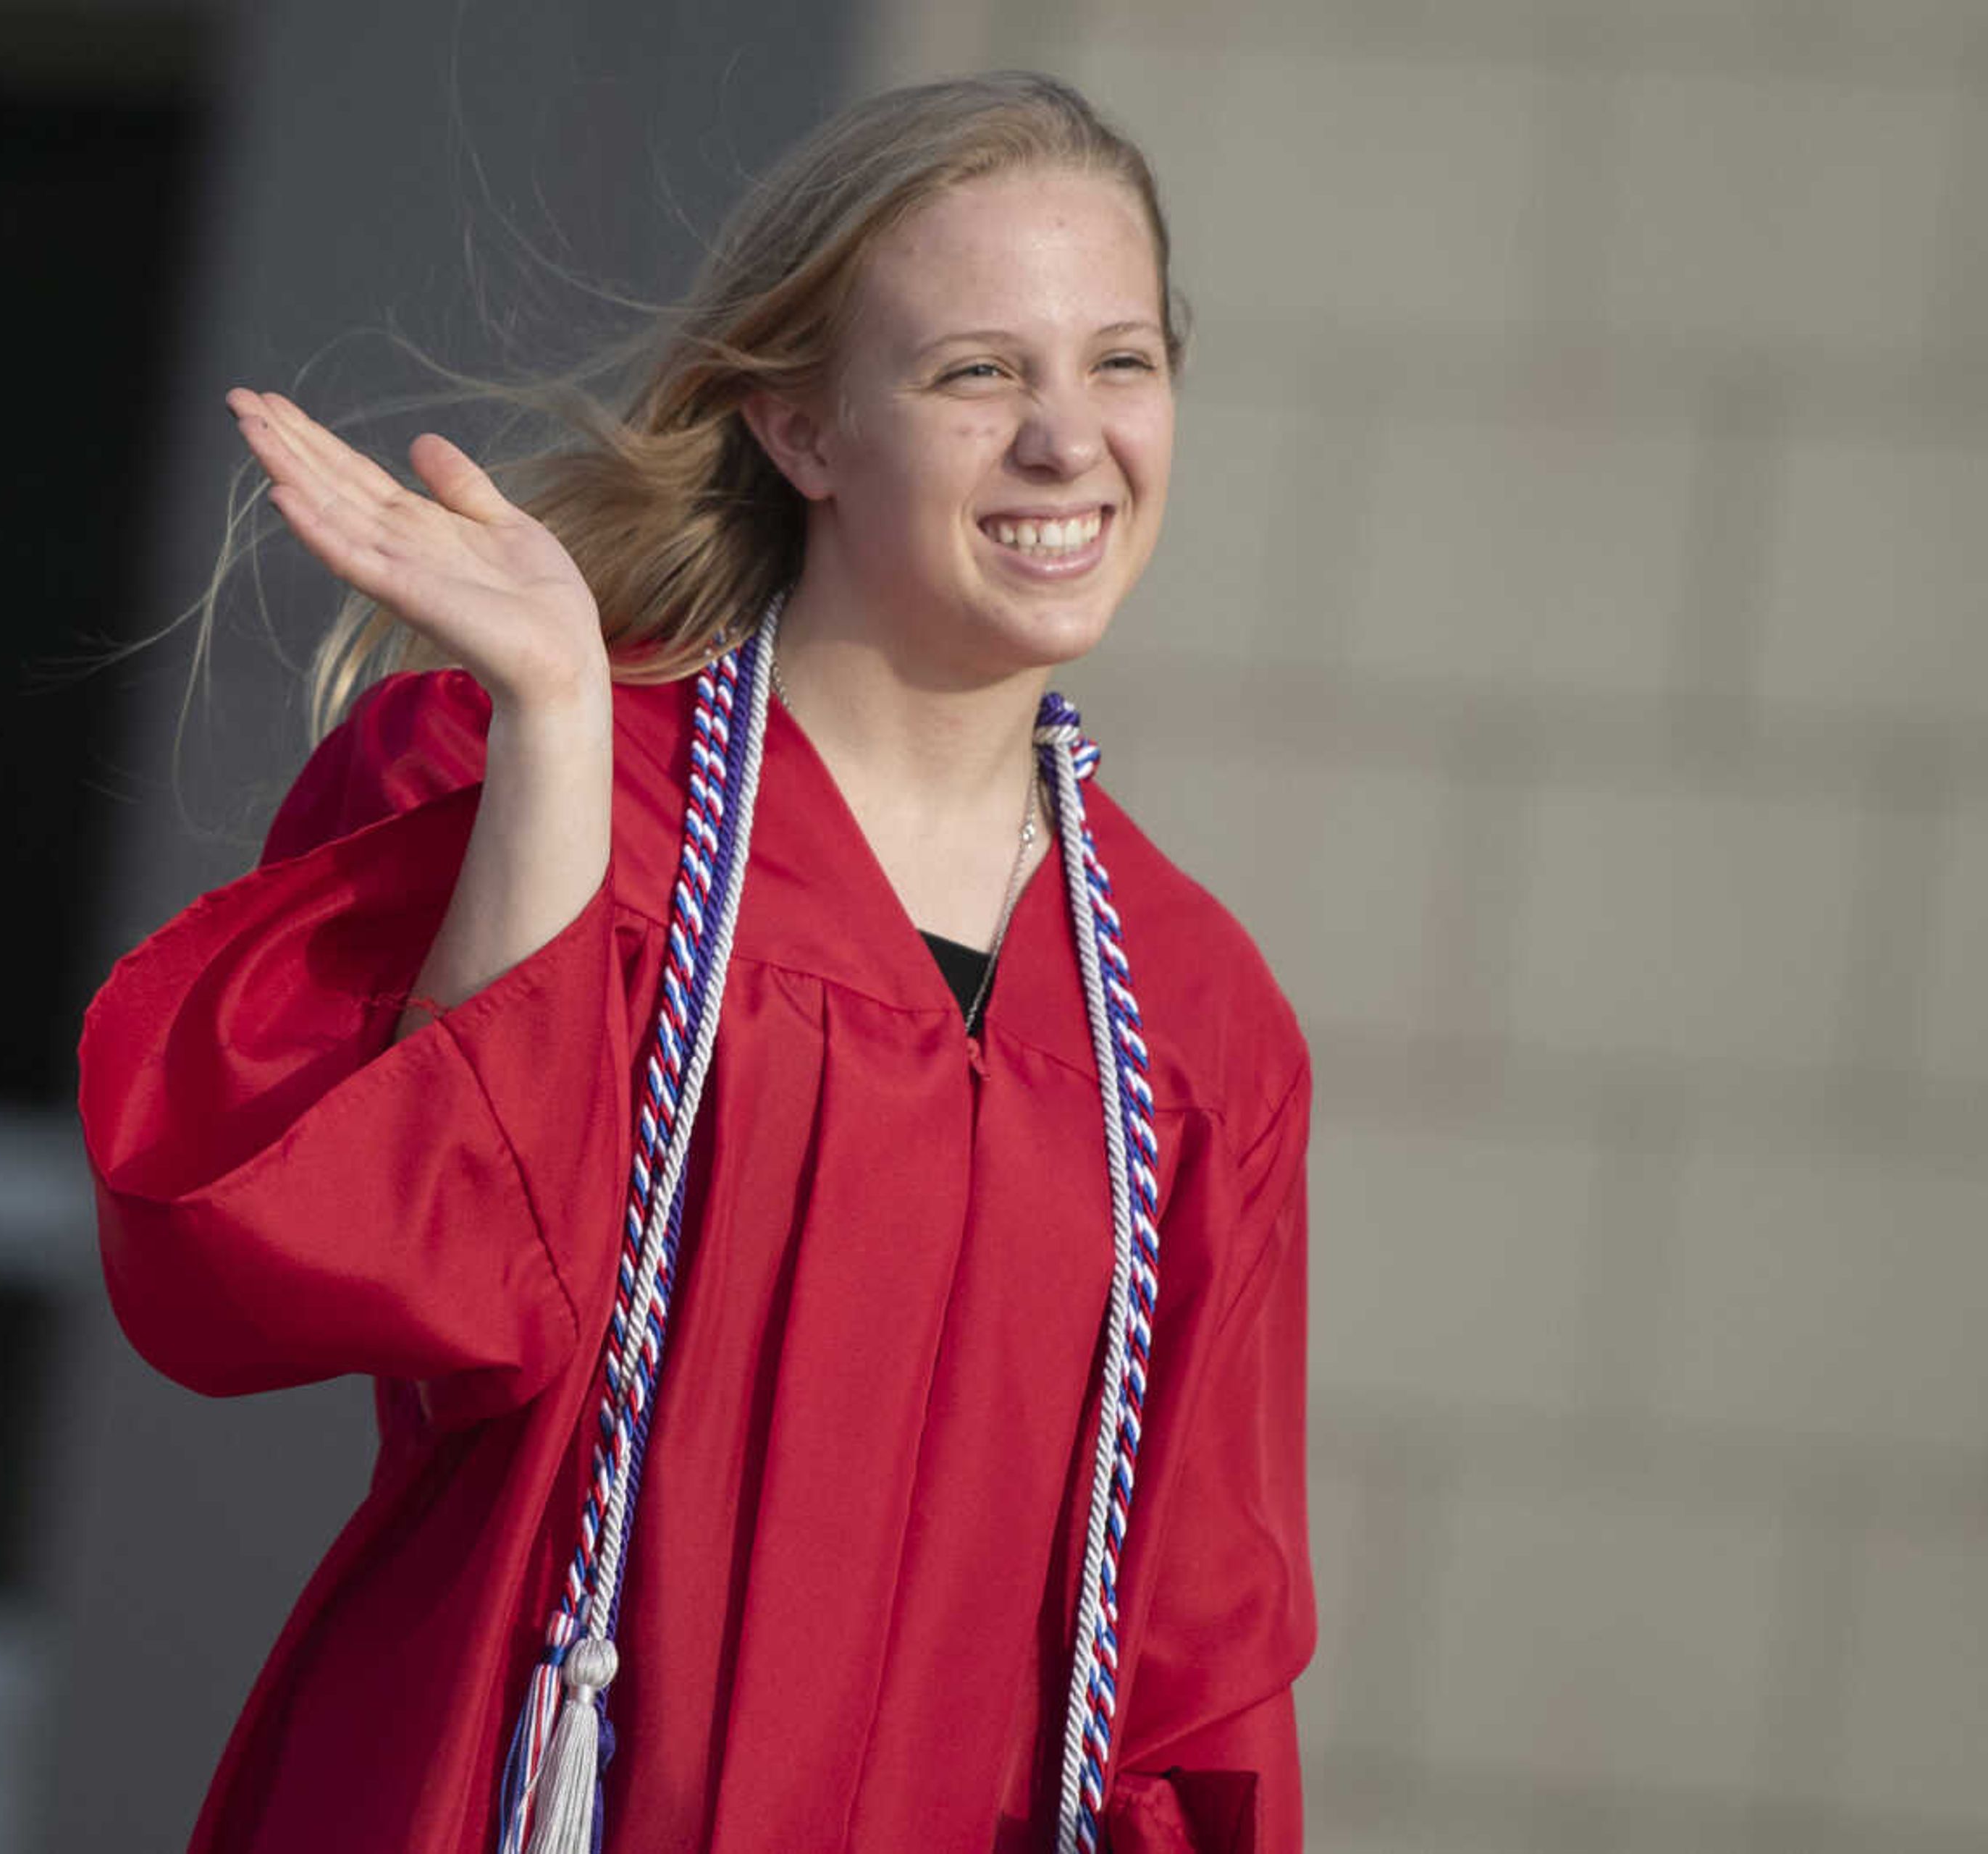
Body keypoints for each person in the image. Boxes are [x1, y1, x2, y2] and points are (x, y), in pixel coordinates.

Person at [77, 71, 1314, 1854]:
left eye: (1119, 362)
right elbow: (415, 1275)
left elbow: (1193, 1669)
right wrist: (563, 729)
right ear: (803, 434)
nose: (1067, 439)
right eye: (978, 371)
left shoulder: (1192, 1025)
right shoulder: (564, 791)